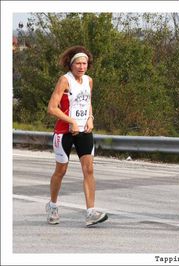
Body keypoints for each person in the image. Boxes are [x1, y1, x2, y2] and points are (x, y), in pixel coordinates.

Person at [46, 45, 108, 227]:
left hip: (84, 131)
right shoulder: (64, 80)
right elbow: (52, 108)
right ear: (71, 65)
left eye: (85, 63)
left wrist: (90, 117)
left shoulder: (89, 81)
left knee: (89, 170)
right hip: (64, 132)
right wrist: (71, 121)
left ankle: (90, 212)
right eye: (78, 63)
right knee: (61, 171)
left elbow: (88, 102)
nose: (82, 67)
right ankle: (52, 206)